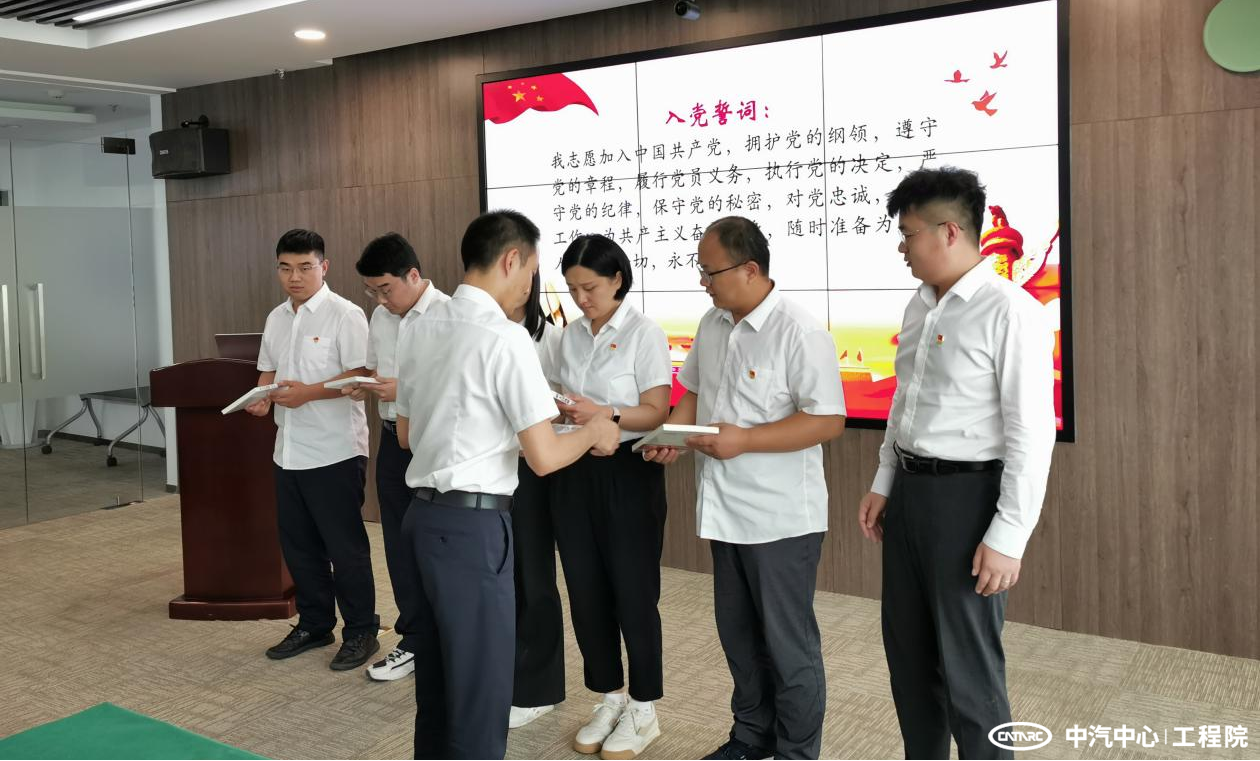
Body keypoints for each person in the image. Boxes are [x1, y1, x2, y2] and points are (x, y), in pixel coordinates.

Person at [393, 210, 620, 760]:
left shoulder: (420, 327)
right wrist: (595, 430)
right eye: (532, 271)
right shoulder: (505, 336)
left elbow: (406, 434)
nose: (529, 286)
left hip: (419, 519)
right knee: (480, 692)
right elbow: (544, 457)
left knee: (438, 686)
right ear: (511, 259)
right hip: (472, 530)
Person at [856, 167, 1056, 760]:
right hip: (911, 494)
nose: (901, 248)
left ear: (949, 231)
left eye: (908, 234)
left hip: (969, 501)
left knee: (970, 670)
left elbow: (1030, 433)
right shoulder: (920, 307)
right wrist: (884, 480)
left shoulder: (1009, 311)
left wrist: (1009, 535)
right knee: (910, 656)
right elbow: (903, 403)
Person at [641, 216, 846, 761]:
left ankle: (796, 752)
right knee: (738, 637)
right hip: (724, 509)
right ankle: (750, 739)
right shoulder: (713, 324)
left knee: (788, 646)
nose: (703, 282)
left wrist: (746, 440)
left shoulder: (799, 332)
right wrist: (672, 437)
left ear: (750, 269)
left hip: (781, 518)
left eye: (710, 272)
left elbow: (828, 420)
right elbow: (692, 389)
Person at [547, 234, 672, 759]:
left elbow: (656, 410)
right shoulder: (568, 335)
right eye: (572, 288)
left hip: (628, 472)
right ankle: (609, 696)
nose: (581, 299)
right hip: (573, 468)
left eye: (590, 288)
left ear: (617, 279)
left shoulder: (644, 333)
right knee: (586, 589)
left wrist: (605, 412)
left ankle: (644, 707)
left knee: (633, 592)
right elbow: (559, 400)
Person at [247, 228, 379, 671]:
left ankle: (361, 631)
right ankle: (315, 623)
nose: (295, 277)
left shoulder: (346, 314)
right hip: (288, 450)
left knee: (345, 548)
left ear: (324, 267)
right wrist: (261, 397)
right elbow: (267, 371)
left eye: (305, 267)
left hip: (335, 450)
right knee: (299, 546)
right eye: (285, 268)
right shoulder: (276, 318)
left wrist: (309, 393)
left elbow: (361, 376)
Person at [343, 232, 449, 682]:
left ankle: (447, 638)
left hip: (435, 443)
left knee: (439, 545)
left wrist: (402, 389)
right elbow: (374, 370)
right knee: (400, 544)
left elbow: (460, 384)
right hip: (391, 441)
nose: (380, 300)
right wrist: (363, 383)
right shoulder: (381, 317)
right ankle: (414, 638)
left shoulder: (449, 316)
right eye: (372, 291)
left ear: (413, 275)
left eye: (386, 289)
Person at [505, 270, 567, 729]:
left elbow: (568, 406)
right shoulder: (482, 334)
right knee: (500, 579)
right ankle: (505, 672)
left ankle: (539, 687)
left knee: (533, 576)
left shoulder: (553, 338)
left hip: (534, 468)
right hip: (488, 470)